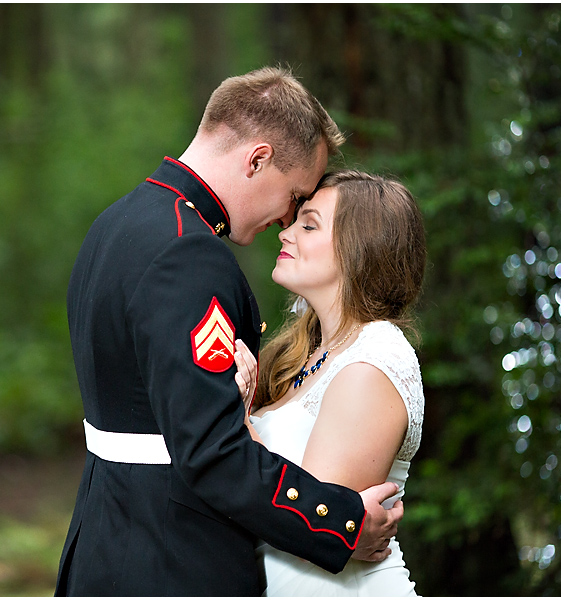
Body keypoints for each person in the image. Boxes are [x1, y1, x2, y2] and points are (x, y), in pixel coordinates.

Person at [55, 67, 403, 596]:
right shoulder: (187, 252)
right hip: (171, 558)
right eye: (295, 195)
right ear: (257, 159)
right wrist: (343, 523)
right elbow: (211, 453)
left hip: (105, 537)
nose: (287, 219)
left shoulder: (116, 224)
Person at [233, 170, 427, 595]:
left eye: (309, 224)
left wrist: (237, 418)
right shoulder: (307, 352)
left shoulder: (376, 359)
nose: (286, 233)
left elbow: (313, 531)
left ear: (357, 250)